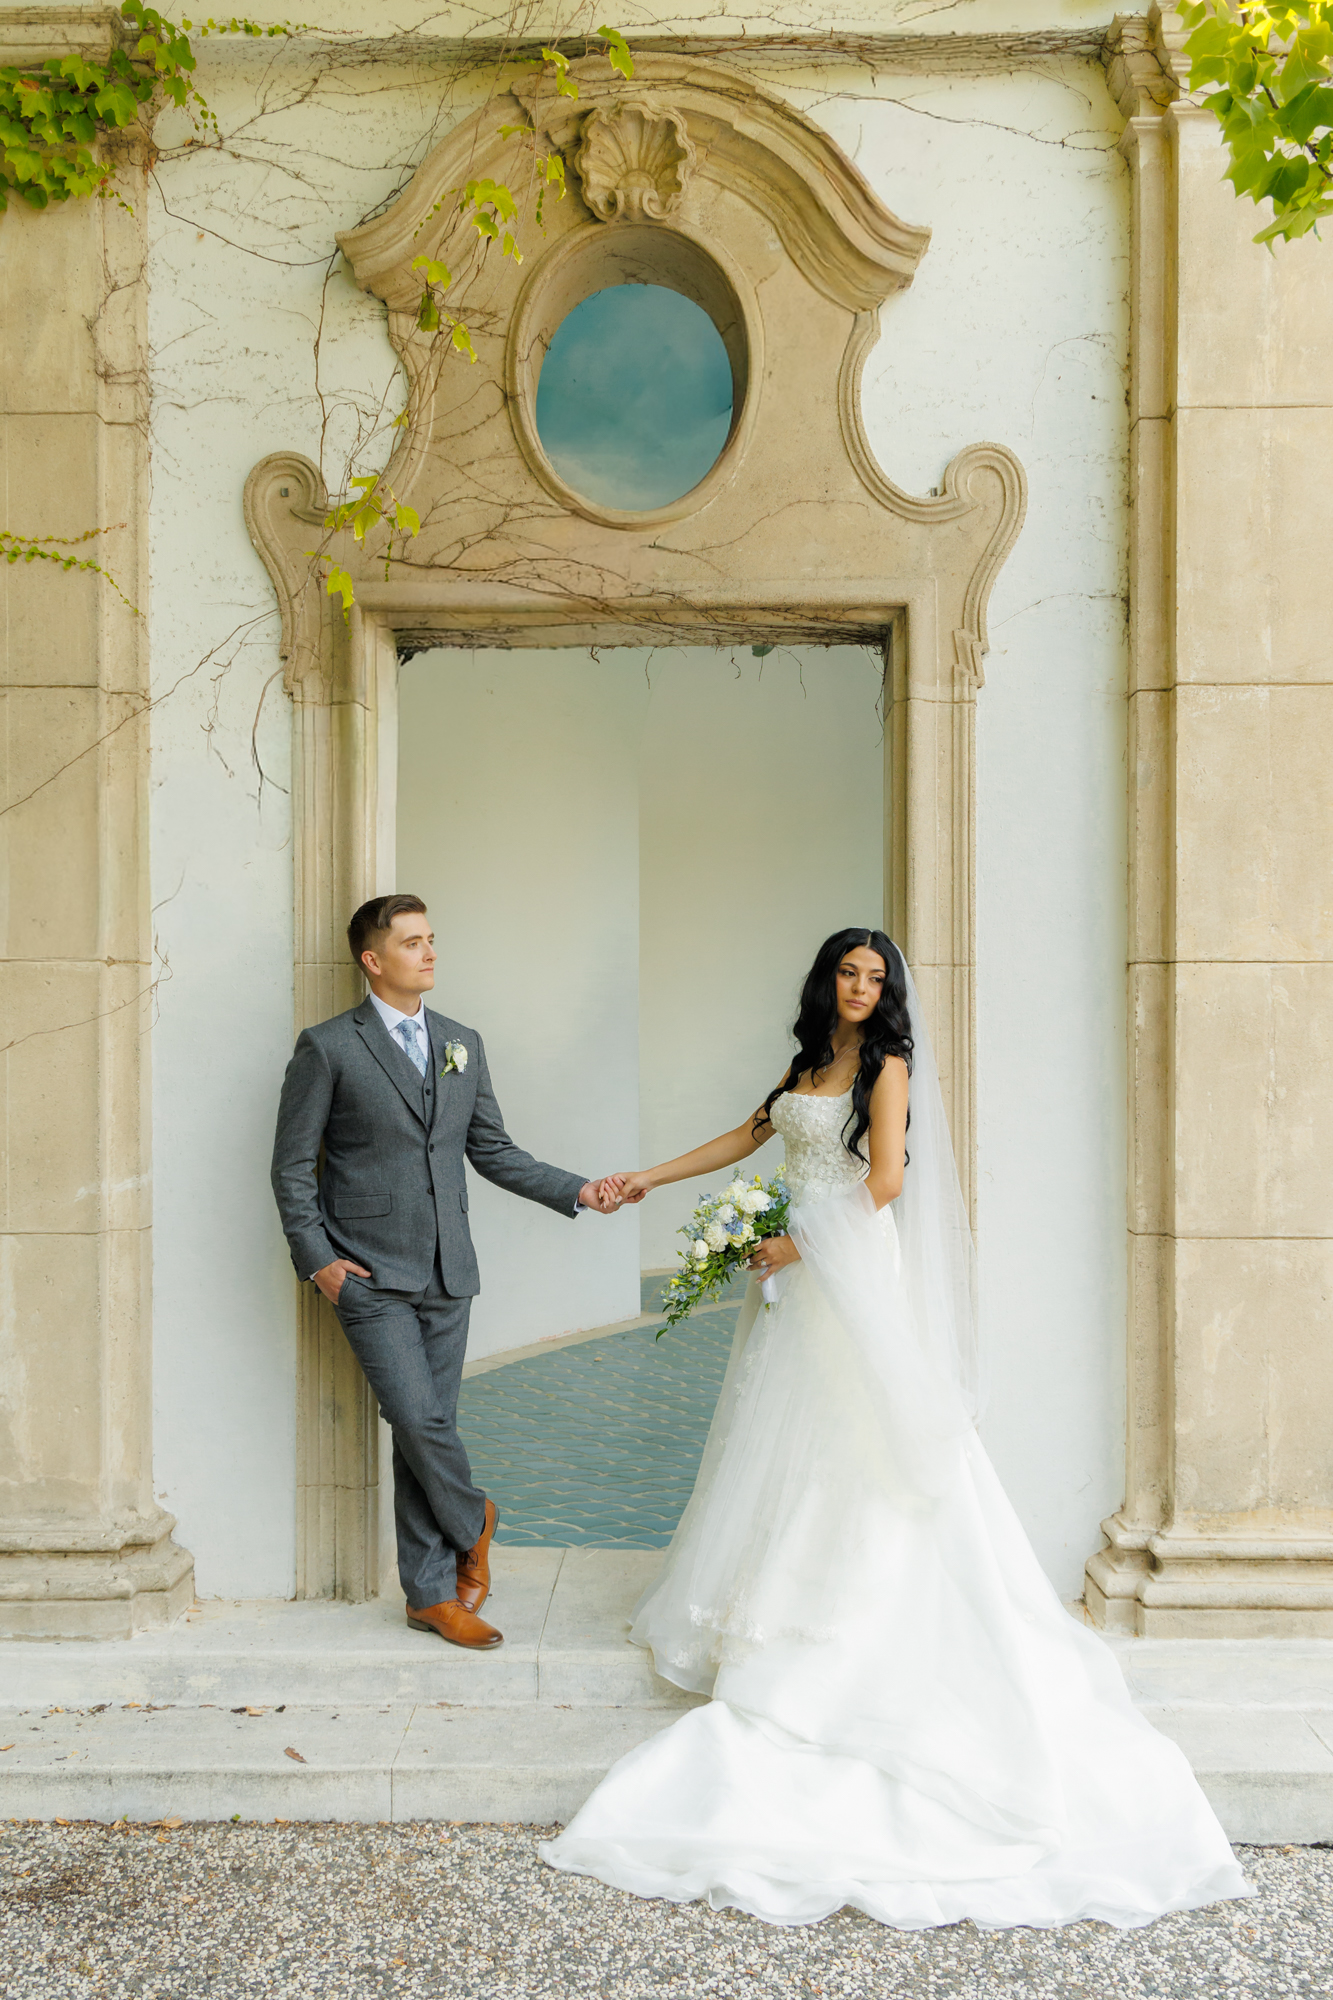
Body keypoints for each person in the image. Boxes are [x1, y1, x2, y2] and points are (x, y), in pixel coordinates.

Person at [540, 928, 1251, 1928]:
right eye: (849, 971)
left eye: (877, 976)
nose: (862, 987)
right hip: (796, 1275)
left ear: (890, 990)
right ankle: (777, 1604)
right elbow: (747, 1136)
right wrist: (647, 1179)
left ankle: (846, 1631)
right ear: (826, 978)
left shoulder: (888, 1065)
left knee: (858, 1444)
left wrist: (791, 1241)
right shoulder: (807, 1061)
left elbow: (881, 1183)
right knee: (784, 1446)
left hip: (844, 1272)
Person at [271, 894, 620, 1650]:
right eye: (411, 943)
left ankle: (428, 1594)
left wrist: (579, 1190)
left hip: (448, 1271)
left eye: (431, 940)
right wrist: (321, 1263)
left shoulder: (462, 1042)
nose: (429, 954)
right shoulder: (328, 1047)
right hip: (366, 1274)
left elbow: (492, 1150)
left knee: (424, 1431)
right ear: (373, 960)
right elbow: (292, 1168)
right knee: (417, 1418)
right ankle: (476, 1519)